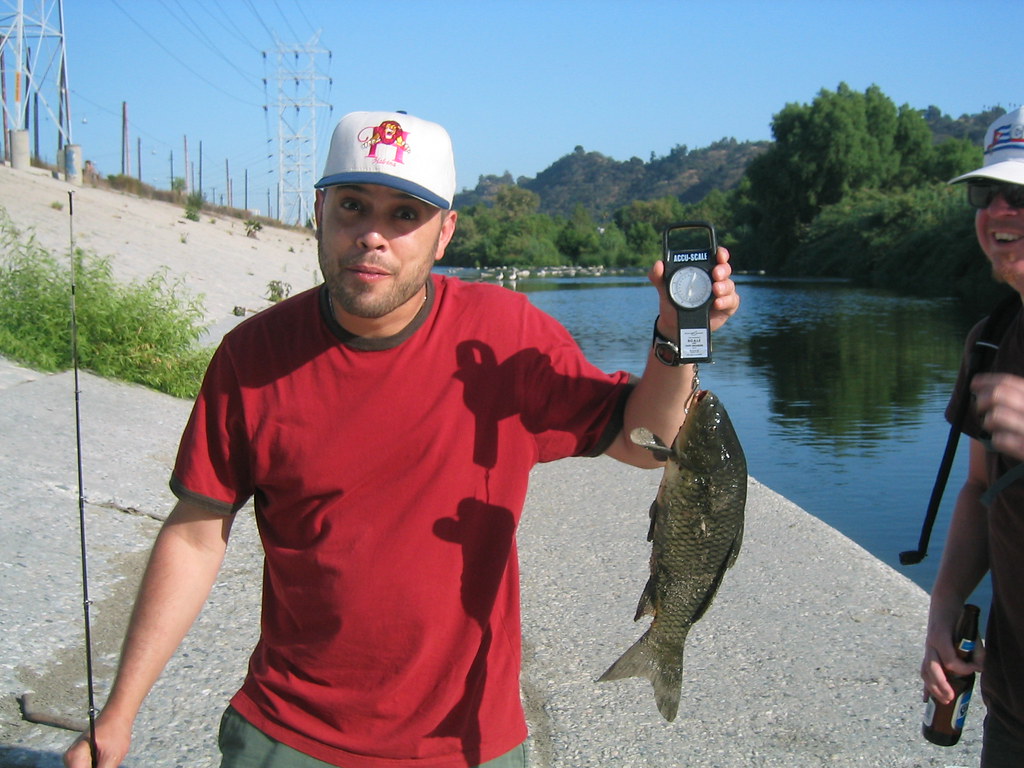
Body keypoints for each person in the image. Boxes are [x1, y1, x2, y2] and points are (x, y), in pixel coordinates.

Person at [64, 110, 739, 768]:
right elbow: (194, 532)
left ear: (445, 233)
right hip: (289, 734)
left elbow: (644, 441)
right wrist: (119, 715)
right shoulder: (252, 357)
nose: (373, 236)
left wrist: (678, 337)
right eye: (353, 207)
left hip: (470, 740)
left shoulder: (505, 335)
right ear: (320, 213)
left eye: (404, 215)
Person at [921, 105, 1024, 767]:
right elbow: (982, 491)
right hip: (1012, 711)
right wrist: (945, 603)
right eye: (987, 195)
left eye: (1020, 195)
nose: (998, 211)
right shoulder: (990, 339)